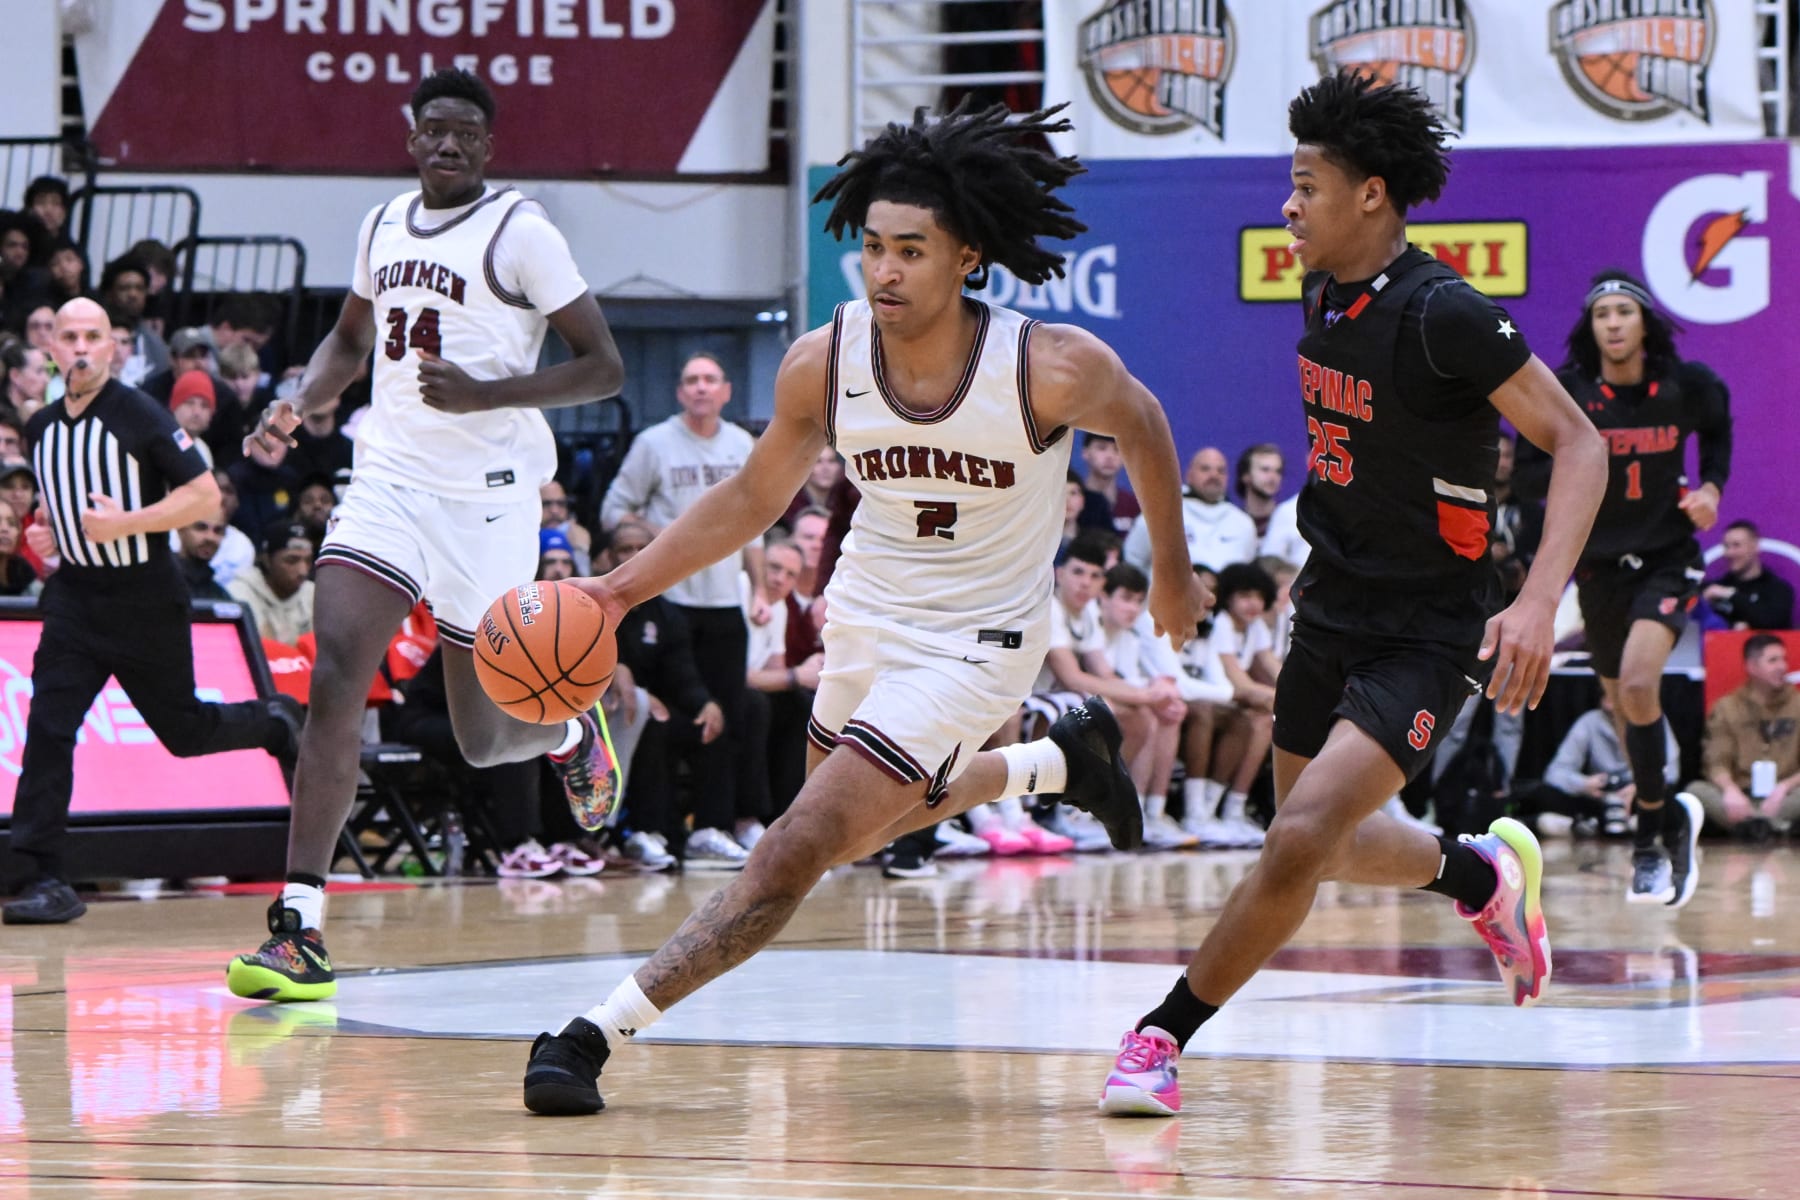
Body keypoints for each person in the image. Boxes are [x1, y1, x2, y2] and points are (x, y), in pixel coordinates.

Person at [521, 98, 1206, 1116]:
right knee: (854, 829)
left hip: (979, 642)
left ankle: (589, 1037)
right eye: (874, 248)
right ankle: (1058, 761)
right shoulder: (825, 359)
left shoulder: (1046, 366)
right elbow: (754, 498)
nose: (884, 270)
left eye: (911, 251)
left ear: (967, 255)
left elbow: (1145, 423)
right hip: (869, 613)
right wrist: (617, 589)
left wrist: (1174, 572)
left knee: (794, 847)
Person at [1098, 71, 1606, 1117]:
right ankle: (1481, 879)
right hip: (1331, 605)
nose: (1288, 206)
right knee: (1317, 837)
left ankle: (1158, 1037)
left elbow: (1581, 444)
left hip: (1429, 625)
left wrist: (1537, 600)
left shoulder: (1449, 314)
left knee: (1292, 842)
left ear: (1370, 194)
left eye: (1306, 185)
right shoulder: (1323, 289)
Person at [224, 69, 625, 1001]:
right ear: (413, 139)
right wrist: (296, 401)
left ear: (488, 147)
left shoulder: (522, 230)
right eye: (433, 131)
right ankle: (300, 926)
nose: (447, 146)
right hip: (389, 483)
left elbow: (601, 367)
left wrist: (489, 395)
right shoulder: (381, 224)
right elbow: (349, 344)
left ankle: (567, 730)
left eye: (465, 135)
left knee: (485, 739)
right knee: (335, 679)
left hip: (486, 499)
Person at [2, 299, 298, 925]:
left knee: (184, 733)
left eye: (94, 337)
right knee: (48, 731)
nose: (81, 348)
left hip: (146, 597)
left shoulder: (139, 414)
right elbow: (64, 505)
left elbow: (203, 497)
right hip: (76, 600)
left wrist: (125, 525)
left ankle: (274, 723)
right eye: (69, 337)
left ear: (113, 349)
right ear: (52, 348)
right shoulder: (39, 428)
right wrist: (48, 534)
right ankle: (41, 877)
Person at [1515, 268, 1731, 906]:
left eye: (1624, 311)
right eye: (1602, 313)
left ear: (1644, 323)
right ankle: (1670, 821)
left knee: (1640, 683)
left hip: (1666, 557)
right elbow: (1530, 471)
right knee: (1622, 699)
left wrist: (1712, 487)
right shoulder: (1572, 395)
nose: (1613, 322)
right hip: (1600, 569)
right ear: (1592, 327)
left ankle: (1647, 838)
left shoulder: (1687, 387)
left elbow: (1718, 431)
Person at [1690, 634, 1800, 837]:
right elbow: (1716, 761)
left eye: (1784, 659)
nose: (1782, 667)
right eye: (1773, 660)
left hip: (1786, 796)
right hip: (1741, 797)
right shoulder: (1727, 708)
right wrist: (1731, 791)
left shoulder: (1797, 704)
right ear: (1752, 666)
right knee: (1695, 790)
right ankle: (1768, 826)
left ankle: (1755, 828)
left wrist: (1784, 788)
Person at [1123, 446, 1257, 574]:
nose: (1214, 475)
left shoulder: (1243, 523)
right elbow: (1132, 561)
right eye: (1205, 469)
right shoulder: (1160, 515)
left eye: (1221, 471)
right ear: (1189, 474)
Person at [227, 520, 318, 644]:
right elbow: (262, 647)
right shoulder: (239, 591)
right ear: (267, 560)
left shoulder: (312, 592)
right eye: (291, 561)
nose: (303, 571)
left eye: (308, 561)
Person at [1704, 520, 1792, 631]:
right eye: (1726, 546)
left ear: (1755, 546)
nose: (1730, 553)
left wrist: (1730, 595)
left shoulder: (1778, 589)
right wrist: (1731, 627)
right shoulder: (1713, 588)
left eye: (1737, 545)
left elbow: (1772, 621)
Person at [1235, 443, 1284, 540]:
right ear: (1245, 476)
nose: (1273, 477)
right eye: (1265, 470)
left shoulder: (1289, 522)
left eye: (1278, 471)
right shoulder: (1232, 522)